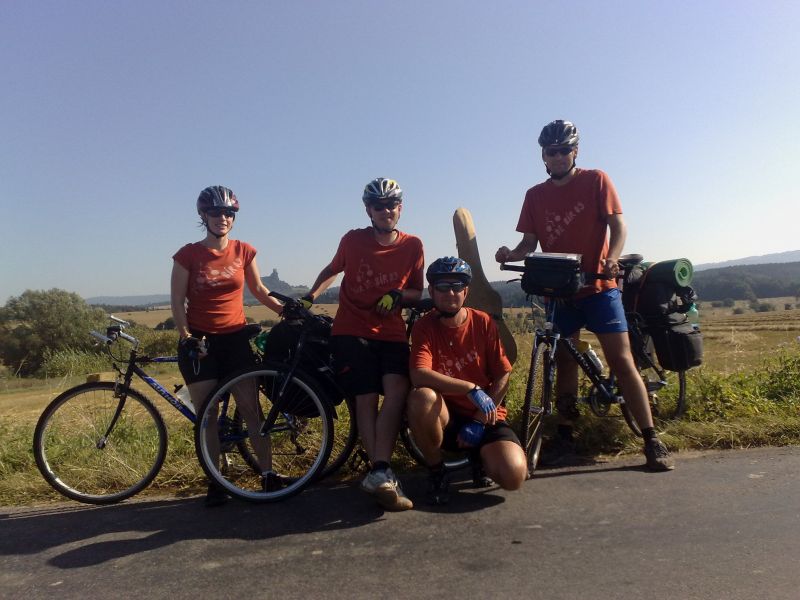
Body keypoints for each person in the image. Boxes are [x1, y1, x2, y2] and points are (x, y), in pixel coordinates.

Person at [495, 119, 674, 472]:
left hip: (598, 288)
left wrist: (611, 258)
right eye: (552, 151)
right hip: (560, 292)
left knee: (621, 360)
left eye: (564, 150)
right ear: (543, 156)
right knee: (563, 361)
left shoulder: (596, 180)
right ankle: (566, 434)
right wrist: (510, 254)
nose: (558, 156)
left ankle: (651, 439)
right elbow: (529, 242)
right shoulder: (535, 195)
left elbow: (618, 224)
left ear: (575, 151)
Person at [303, 178, 424, 511]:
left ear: (400, 208)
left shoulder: (413, 245)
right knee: (366, 398)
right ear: (369, 210)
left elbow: (417, 291)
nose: (386, 211)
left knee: (397, 391)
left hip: (391, 331)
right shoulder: (353, 239)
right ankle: (381, 470)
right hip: (351, 329)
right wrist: (311, 296)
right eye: (378, 206)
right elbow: (333, 269)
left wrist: (398, 295)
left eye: (391, 205)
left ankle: (378, 472)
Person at [171, 185, 286, 506]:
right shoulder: (188, 255)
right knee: (207, 416)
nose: (222, 218)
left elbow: (259, 290)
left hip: (235, 339)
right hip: (200, 342)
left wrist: (286, 312)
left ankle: (267, 473)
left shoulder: (243, 250)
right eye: (215, 212)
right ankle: (216, 479)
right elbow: (177, 302)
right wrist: (186, 336)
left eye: (228, 213)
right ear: (203, 215)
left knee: (251, 410)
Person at [407, 257, 527, 505]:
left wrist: (480, 420)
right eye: (442, 287)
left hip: (484, 416)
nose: (450, 293)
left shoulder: (483, 322)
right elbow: (419, 374)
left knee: (513, 476)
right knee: (421, 398)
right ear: (432, 291)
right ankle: (437, 471)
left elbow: (503, 374)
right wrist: (470, 388)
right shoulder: (424, 326)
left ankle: (479, 460)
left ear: (466, 291)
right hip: (446, 417)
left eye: (457, 286)